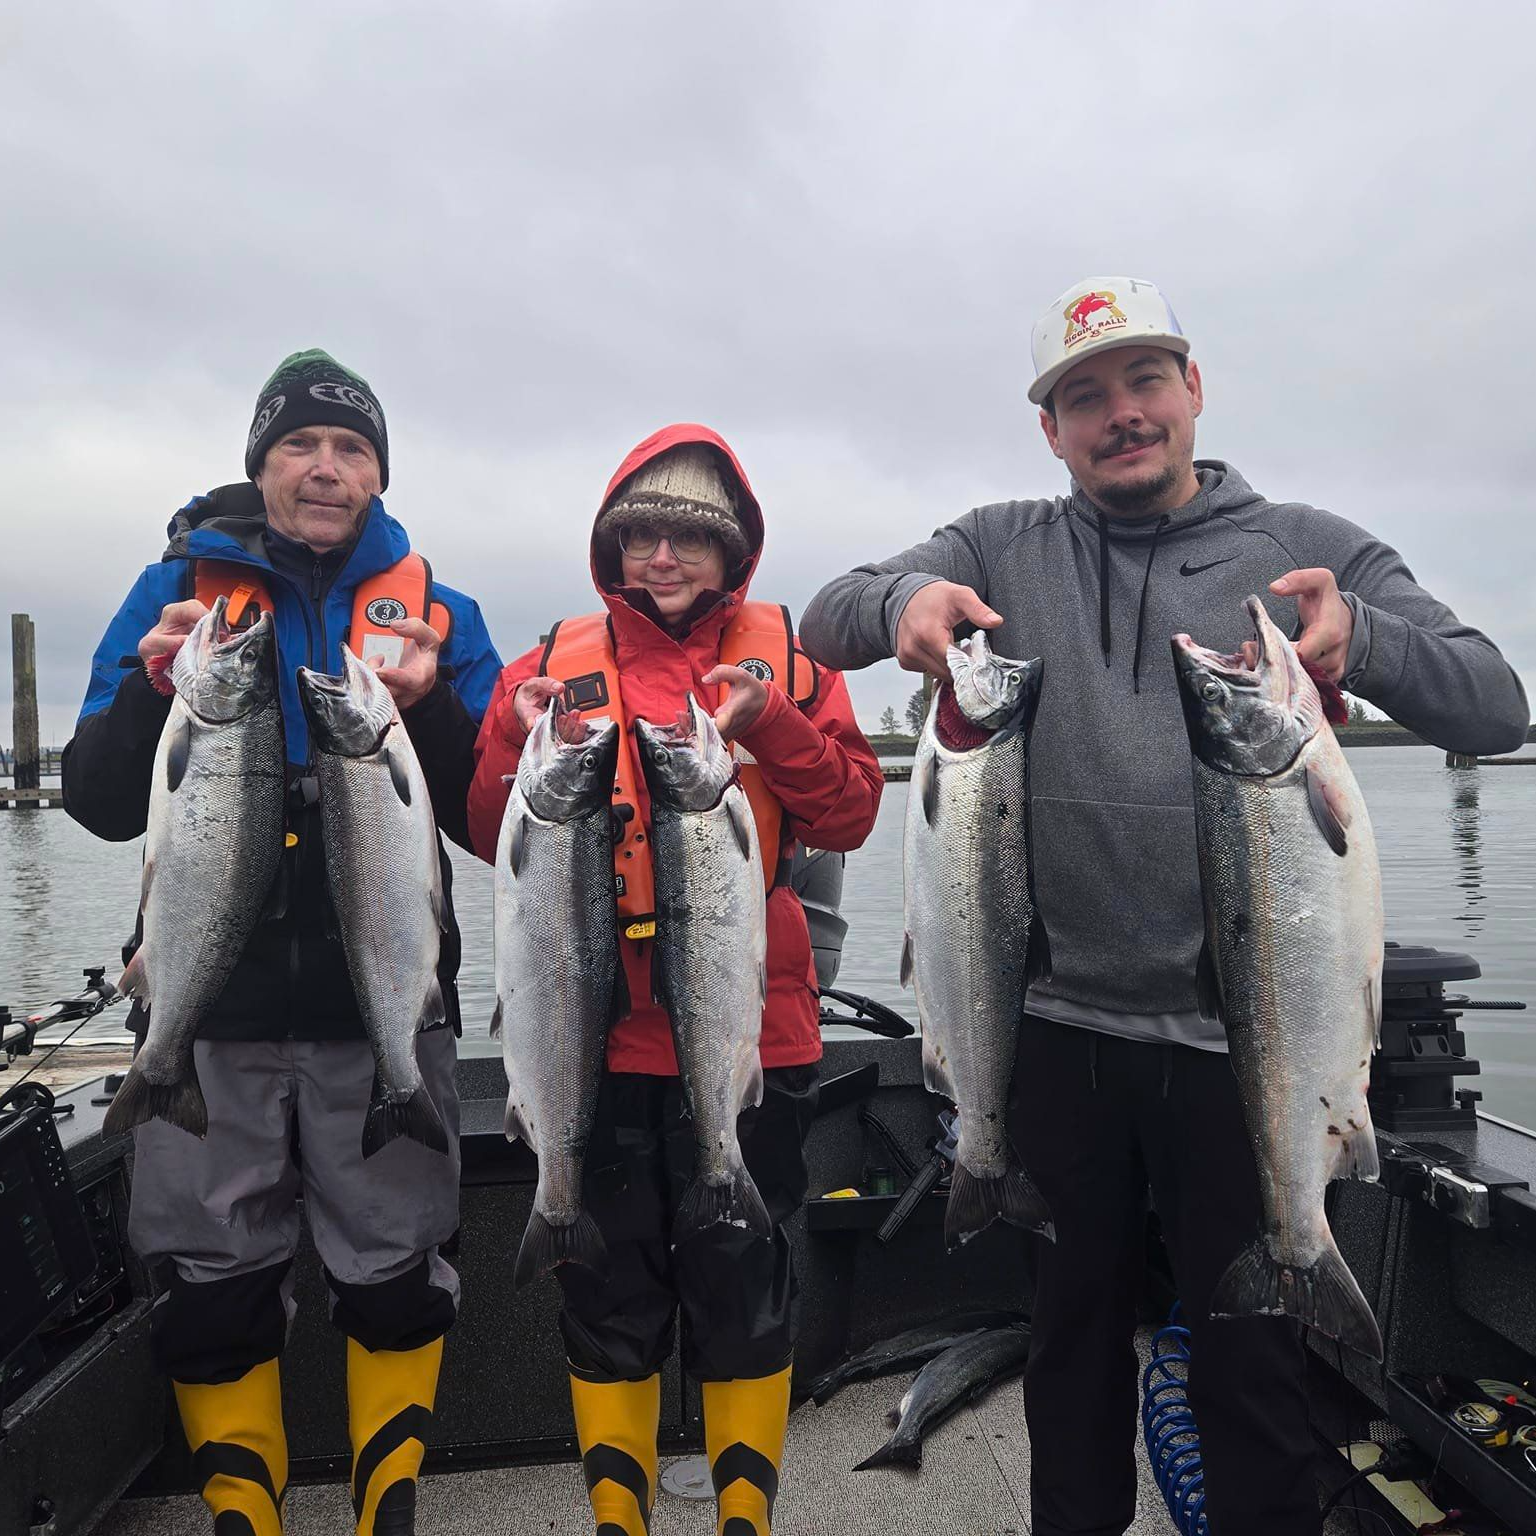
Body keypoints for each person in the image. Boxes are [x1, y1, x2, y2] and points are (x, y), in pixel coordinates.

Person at [798, 277, 1530, 1536]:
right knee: (1068, 1351)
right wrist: (901, 605)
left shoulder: (1304, 546)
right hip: (1052, 1036)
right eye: (1085, 397)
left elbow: (1497, 704)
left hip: (1249, 1048)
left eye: (1145, 380)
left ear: (1194, 389)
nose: (1121, 414)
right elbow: (828, 616)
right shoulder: (999, 545)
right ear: (1051, 430)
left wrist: (1368, 640)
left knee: (1255, 1367)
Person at [63, 350, 502, 1536]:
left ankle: (384, 1512)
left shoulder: (442, 612)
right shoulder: (176, 593)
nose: (324, 467)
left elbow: (493, 820)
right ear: (260, 465)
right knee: (211, 1287)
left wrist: (432, 711)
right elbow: (96, 802)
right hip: (211, 1016)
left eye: (351, 448)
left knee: (400, 1278)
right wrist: (154, 686)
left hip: (385, 1009)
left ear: (379, 475)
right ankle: (243, 1517)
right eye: (299, 444)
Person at [466, 424, 882, 1536]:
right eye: (640, 535)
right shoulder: (546, 666)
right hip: (588, 1040)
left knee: (746, 1288)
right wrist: (509, 738)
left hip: (755, 1031)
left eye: (689, 538)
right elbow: (484, 825)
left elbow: (850, 811)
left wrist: (774, 722)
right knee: (608, 1300)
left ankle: (743, 1518)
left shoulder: (793, 664)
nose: (662, 557)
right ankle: (621, 1519)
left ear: (733, 549)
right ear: (610, 547)